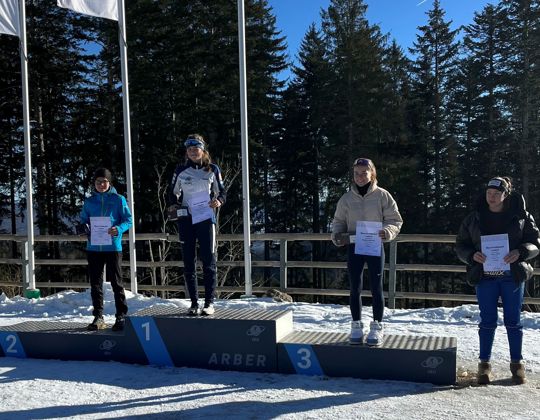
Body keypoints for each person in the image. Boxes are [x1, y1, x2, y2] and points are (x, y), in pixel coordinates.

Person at [456, 176, 540, 385]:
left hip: (512, 275)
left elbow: (535, 243)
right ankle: (484, 364)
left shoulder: (521, 216)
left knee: (514, 321)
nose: (491, 198)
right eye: (488, 194)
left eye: (496, 194)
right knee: (487, 321)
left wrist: (521, 252)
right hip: (485, 277)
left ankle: (517, 364)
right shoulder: (473, 218)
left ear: (505, 195)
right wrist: (471, 256)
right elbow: (461, 245)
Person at [331, 158, 403, 346]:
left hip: (374, 246)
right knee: (354, 286)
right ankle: (356, 325)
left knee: (376, 286)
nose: (360, 177)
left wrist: (387, 232)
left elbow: (395, 220)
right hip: (354, 247)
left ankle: (377, 325)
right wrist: (337, 235)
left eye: (364, 173)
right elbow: (338, 221)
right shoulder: (346, 199)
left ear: (372, 173)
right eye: (356, 173)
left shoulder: (382, 196)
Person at [169, 134, 226, 316]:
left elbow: (222, 192)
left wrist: (218, 201)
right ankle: (194, 302)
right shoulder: (180, 170)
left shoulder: (212, 169)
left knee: (208, 261)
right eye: (190, 149)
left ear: (203, 150)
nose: (193, 152)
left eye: (197, 148)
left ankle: (209, 302)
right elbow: (172, 193)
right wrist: (174, 205)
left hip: (206, 219)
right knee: (189, 262)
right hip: (187, 220)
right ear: (187, 152)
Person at [80, 168, 132, 331]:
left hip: (113, 246)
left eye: (104, 181)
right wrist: (84, 230)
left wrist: (119, 228)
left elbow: (128, 219)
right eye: (98, 182)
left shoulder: (118, 199)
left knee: (116, 282)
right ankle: (98, 316)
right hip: (94, 247)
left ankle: (121, 315)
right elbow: (83, 220)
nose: (101, 184)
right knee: (95, 283)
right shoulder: (89, 201)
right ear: (94, 184)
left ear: (109, 183)